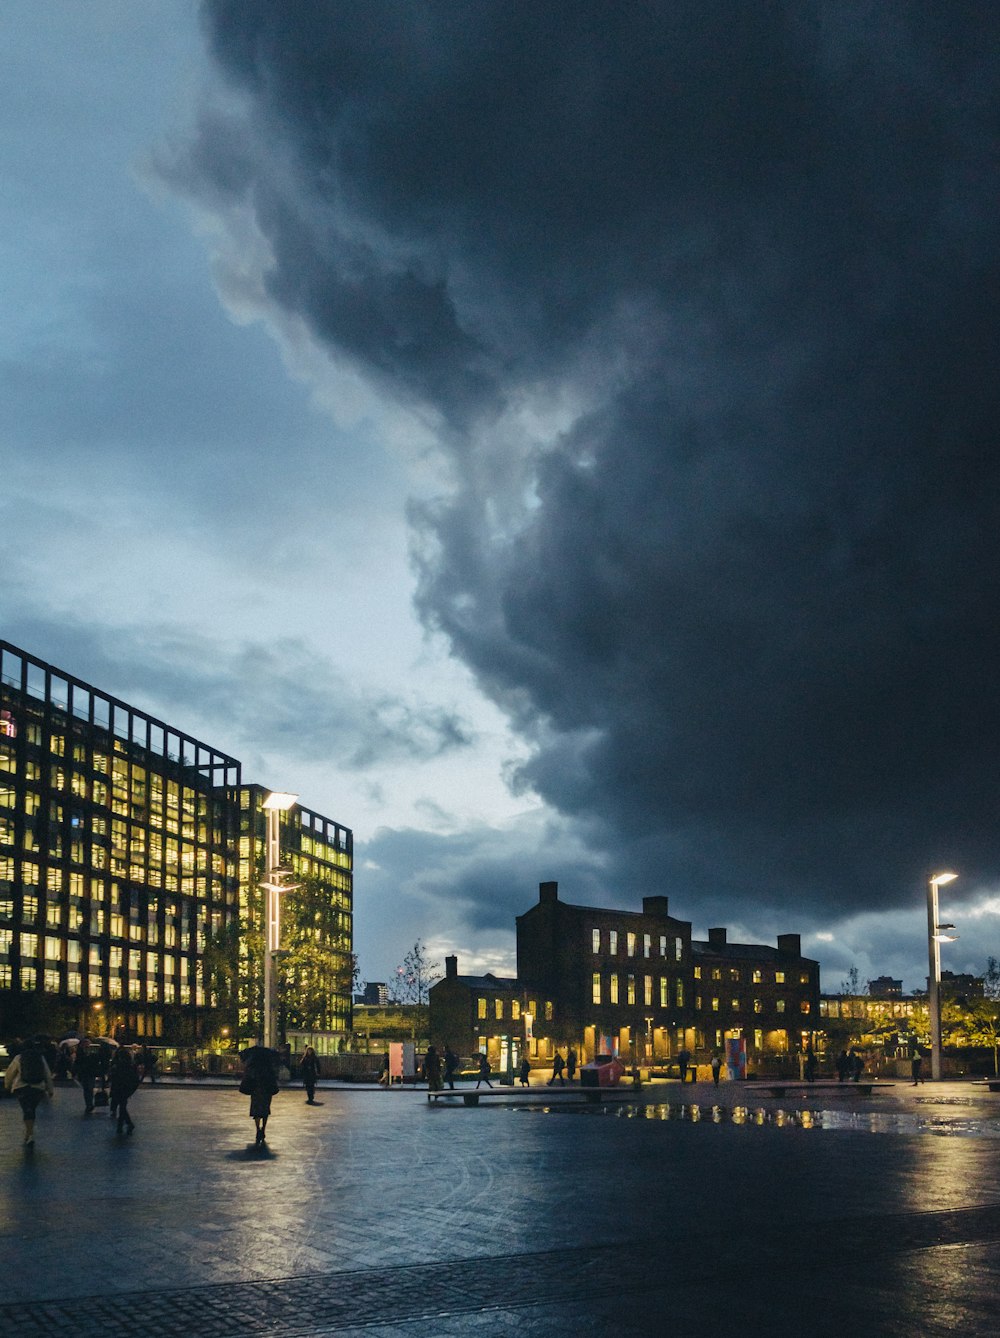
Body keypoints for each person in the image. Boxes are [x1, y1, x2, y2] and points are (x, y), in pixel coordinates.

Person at [4, 1039, 54, 1146]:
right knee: (32, 1109)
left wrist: (7, 1086)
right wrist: (50, 1089)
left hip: (22, 1087)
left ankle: (29, 1133)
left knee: (26, 1109)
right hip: (37, 1088)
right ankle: (29, 1132)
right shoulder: (40, 1057)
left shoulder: (19, 1057)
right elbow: (47, 1074)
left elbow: (10, 1072)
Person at [241, 1047, 279, 1145]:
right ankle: (263, 1129)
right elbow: (273, 1081)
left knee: (256, 1112)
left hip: (256, 1092)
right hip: (266, 1092)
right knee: (265, 1111)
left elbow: (248, 1079)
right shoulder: (268, 1069)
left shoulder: (253, 1068)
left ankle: (258, 1129)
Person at [108, 1046, 139, 1135]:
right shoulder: (130, 1066)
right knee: (122, 1107)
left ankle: (124, 1125)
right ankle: (124, 1124)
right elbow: (135, 1079)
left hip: (118, 1088)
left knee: (122, 1107)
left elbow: (113, 1077)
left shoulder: (117, 1065)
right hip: (125, 1089)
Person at [73, 1037, 102, 1114]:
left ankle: (89, 1104)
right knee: (88, 1089)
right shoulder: (82, 1053)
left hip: (88, 1073)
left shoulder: (86, 1053)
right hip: (86, 1073)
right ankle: (89, 1104)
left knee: (88, 1089)